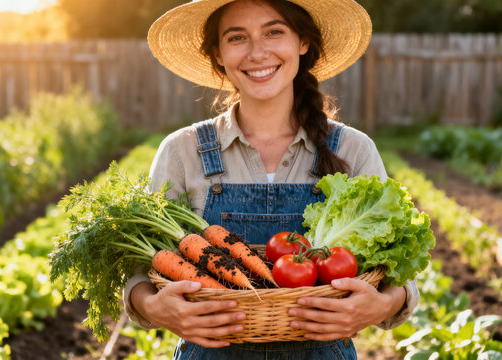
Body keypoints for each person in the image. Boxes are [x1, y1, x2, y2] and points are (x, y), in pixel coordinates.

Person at [124, 0, 419, 358]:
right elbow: (139, 270)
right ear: (218, 54)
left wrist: (382, 306)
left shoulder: (353, 149)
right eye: (237, 38)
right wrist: (153, 307)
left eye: (274, 32)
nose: (257, 52)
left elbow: (399, 276)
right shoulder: (181, 151)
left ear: (303, 42)